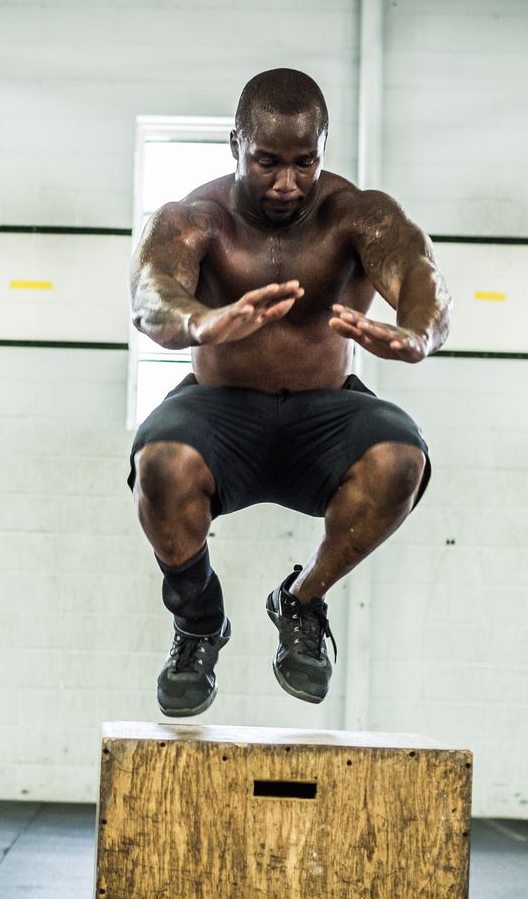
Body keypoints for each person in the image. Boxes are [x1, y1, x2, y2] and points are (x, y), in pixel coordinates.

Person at [128, 68, 448, 717]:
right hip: (220, 410)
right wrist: (199, 321)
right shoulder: (194, 218)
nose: (285, 183)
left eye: (304, 163)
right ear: (234, 145)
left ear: (323, 148)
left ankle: (300, 602)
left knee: (401, 458)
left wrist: (417, 334)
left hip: (322, 414)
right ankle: (197, 621)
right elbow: (151, 293)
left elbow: (420, 274)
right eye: (266, 161)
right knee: (158, 464)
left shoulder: (357, 213)